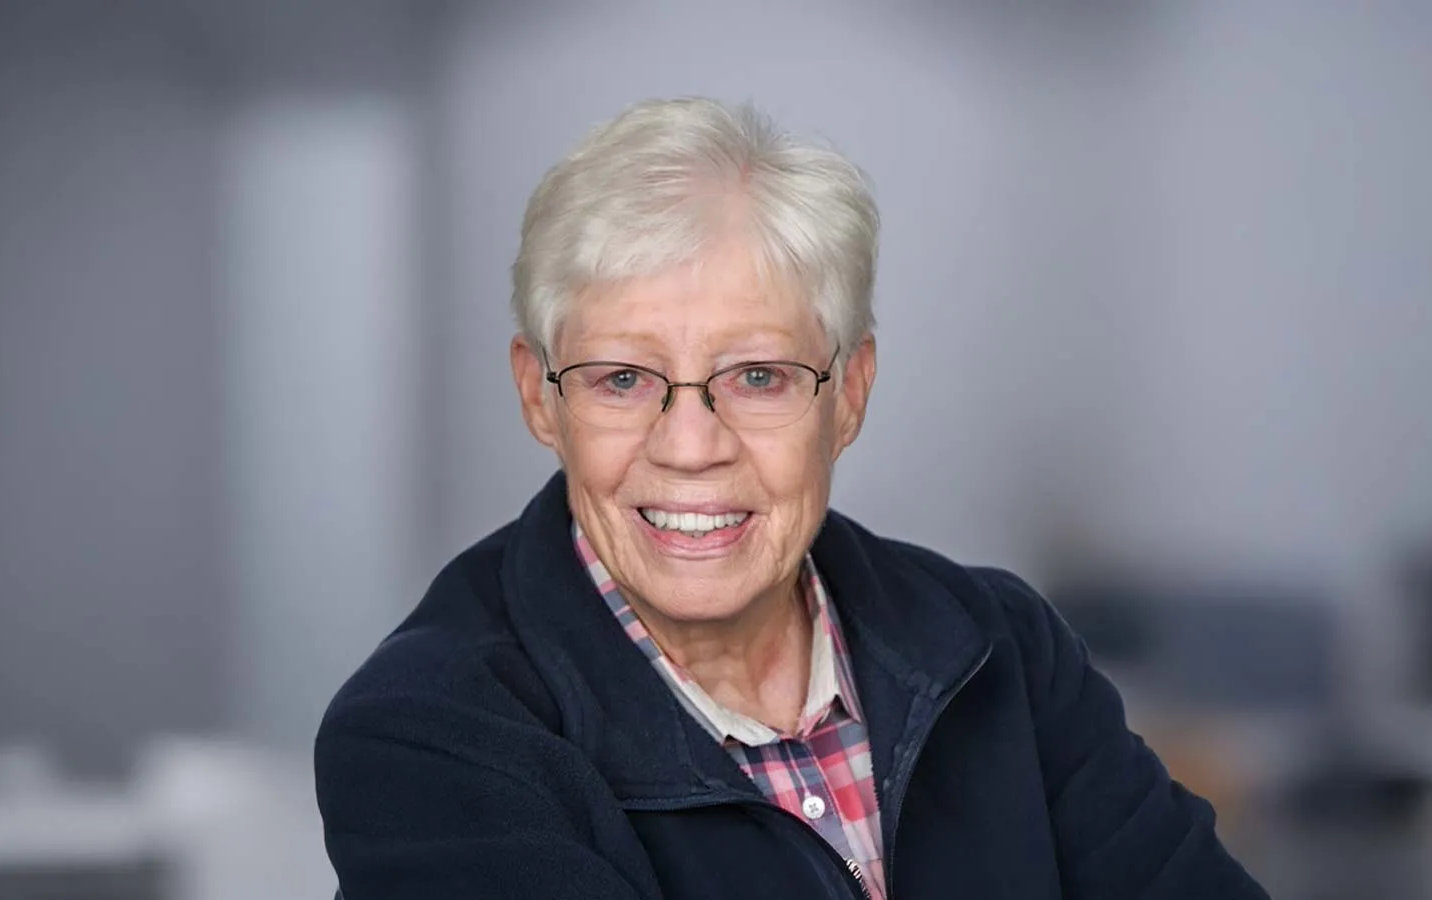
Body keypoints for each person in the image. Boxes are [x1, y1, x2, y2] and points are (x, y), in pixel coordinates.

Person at [314, 97, 1270, 900]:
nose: (691, 447)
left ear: (848, 394)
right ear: (539, 397)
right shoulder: (425, 737)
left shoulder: (1003, 648)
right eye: (621, 380)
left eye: (759, 376)